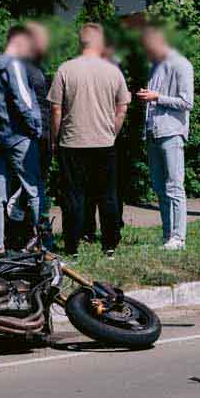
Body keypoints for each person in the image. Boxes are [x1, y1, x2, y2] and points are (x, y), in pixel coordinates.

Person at [47, 23, 130, 254]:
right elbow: (122, 108)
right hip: (104, 142)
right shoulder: (113, 71)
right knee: (107, 195)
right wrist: (111, 132)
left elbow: (55, 109)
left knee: (73, 196)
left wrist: (55, 139)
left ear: (80, 41)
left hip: (72, 142)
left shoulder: (65, 70)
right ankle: (110, 245)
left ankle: (72, 246)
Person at [0, 23, 44, 255]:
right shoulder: (14, 65)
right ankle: (43, 244)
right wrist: (36, 129)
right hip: (19, 137)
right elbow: (24, 102)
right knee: (34, 189)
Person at [136, 23, 193, 249]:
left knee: (174, 186)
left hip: (171, 132)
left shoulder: (181, 64)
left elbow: (187, 102)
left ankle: (178, 237)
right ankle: (167, 234)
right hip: (153, 131)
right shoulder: (155, 66)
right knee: (160, 187)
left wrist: (156, 97)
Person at [19, 21, 54, 247]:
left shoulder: (30, 70)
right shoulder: (30, 71)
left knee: (33, 186)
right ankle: (40, 235)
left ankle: (35, 232)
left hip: (39, 133)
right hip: (37, 134)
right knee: (35, 187)